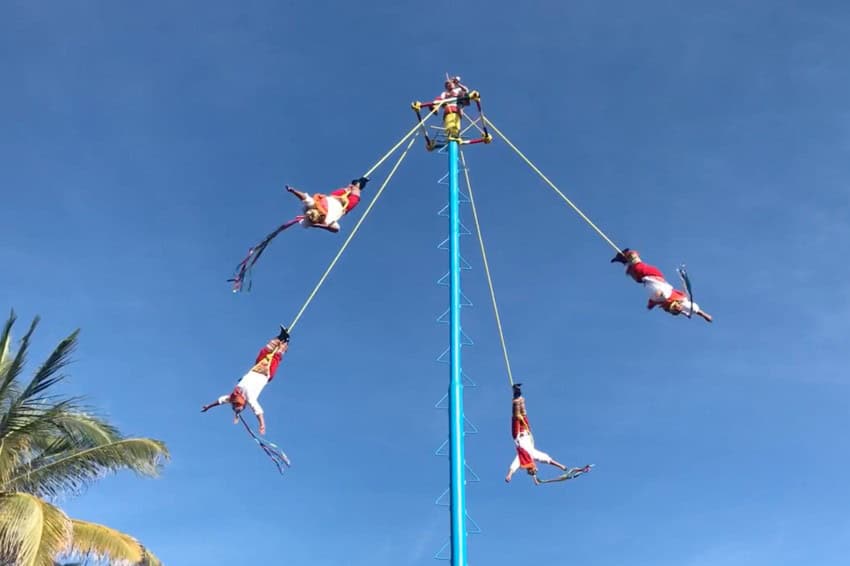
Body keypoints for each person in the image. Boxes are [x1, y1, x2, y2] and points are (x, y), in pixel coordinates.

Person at [201, 326, 290, 434]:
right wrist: (262, 425)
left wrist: (209, 406)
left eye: (233, 402)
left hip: (256, 368)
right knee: (276, 356)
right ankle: (286, 341)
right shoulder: (250, 398)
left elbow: (220, 401)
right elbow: (258, 412)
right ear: (243, 403)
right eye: (236, 401)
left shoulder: (232, 397)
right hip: (266, 373)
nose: (235, 396)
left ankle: (280, 337)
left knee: (264, 351)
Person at [611, 248, 713, 322]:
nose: (667, 311)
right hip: (652, 274)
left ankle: (623, 260)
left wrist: (650, 304)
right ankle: (631, 253)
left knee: (634, 275)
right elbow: (693, 309)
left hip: (645, 279)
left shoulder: (662, 302)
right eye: (672, 309)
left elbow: (655, 301)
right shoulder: (672, 298)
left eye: (670, 311)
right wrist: (705, 315)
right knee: (637, 267)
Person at [505, 383, 573, 485]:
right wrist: (561, 466)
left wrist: (509, 475)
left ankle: (516, 395)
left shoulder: (521, 460)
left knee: (515, 415)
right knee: (523, 413)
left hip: (518, 435)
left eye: (533, 470)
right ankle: (518, 393)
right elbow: (549, 460)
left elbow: (513, 467)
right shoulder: (534, 456)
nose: (535, 469)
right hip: (527, 431)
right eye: (535, 469)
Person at [286, 177, 369, 233]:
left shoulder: (314, 207)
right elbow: (336, 229)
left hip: (335, 198)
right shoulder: (326, 220)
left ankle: (357, 183)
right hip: (344, 205)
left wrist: (293, 191)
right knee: (355, 190)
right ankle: (360, 182)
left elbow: (304, 198)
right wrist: (317, 225)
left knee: (351, 188)